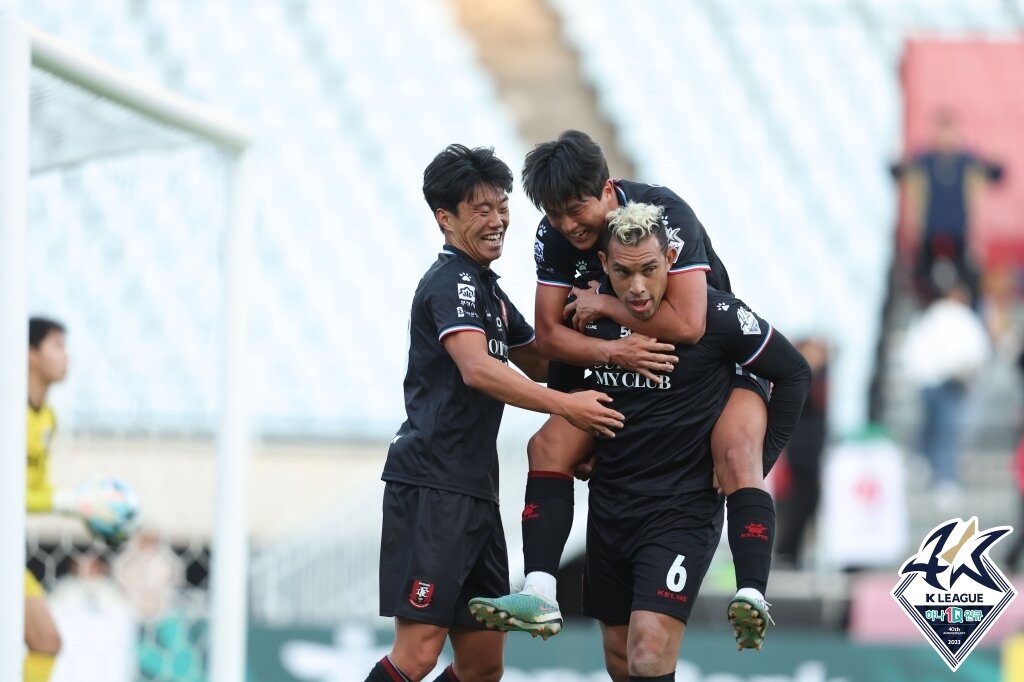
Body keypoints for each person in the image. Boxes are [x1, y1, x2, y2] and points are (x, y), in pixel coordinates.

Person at [469, 130, 776, 648]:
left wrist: (608, 310)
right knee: (547, 445)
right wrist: (598, 375)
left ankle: (752, 593)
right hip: (626, 368)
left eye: (575, 209)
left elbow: (689, 323)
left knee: (736, 454)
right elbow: (550, 334)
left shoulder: (665, 214)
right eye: (554, 213)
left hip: (703, 365)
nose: (567, 225)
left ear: (608, 190)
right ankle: (540, 591)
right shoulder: (556, 234)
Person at [364, 144, 625, 682]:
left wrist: (611, 329)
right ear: (445, 218)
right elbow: (479, 370)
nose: (498, 219)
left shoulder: (490, 293)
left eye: (502, 205)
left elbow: (539, 360)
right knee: (416, 654)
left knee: (483, 667)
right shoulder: (450, 281)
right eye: (480, 208)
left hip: (476, 492)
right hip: (433, 486)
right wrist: (568, 408)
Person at [24, 317, 136, 682]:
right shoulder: (8, 411)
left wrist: (86, 505)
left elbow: (31, 490)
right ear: (29, 354)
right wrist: (70, 501)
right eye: (57, 346)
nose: (66, 357)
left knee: (46, 641)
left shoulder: (48, 419)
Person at [891, 109, 1004, 307]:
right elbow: (899, 172)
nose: (945, 137)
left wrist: (996, 163)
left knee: (970, 283)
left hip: (959, 236)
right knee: (920, 284)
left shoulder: (966, 161)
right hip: (929, 236)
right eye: (941, 131)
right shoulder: (925, 160)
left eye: (949, 131)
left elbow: (993, 175)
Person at [900, 264, 989, 499]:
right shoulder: (947, 317)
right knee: (941, 429)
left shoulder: (941, 317)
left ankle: (936, 470)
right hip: (938, 381)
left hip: (946, 381)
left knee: (941, 428)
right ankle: (942, 476)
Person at [774, 338, 829, 569]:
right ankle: (787, 551)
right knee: (795, 502)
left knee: (810, 502)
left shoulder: (821, 379)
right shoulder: (799, 379)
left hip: (813, 452)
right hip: (798, 452)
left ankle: (795, 552)